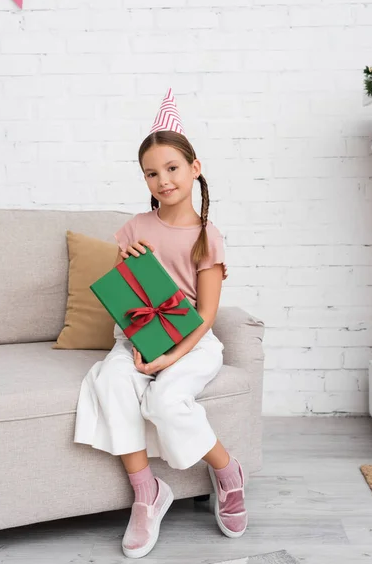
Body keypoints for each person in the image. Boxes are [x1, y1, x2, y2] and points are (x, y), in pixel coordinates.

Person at [73, 89, 248, 559]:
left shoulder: (207, 237)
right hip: (135, 337)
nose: (163, 179)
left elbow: (206, 315)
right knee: (111, 380)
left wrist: (170, 358)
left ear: (195, 168)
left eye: (172, 168)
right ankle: (147, 493)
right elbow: (128, 293)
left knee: (168, 399)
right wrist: (123, 260)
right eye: (152, 172)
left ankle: (229, 472)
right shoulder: (133, 227)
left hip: (190, 341)